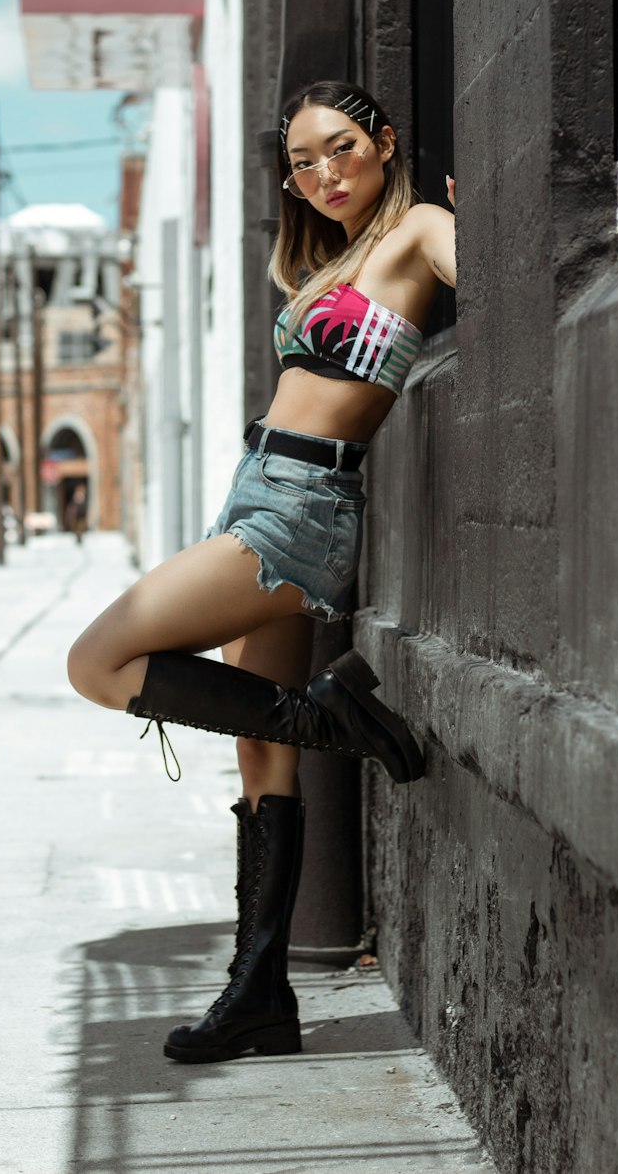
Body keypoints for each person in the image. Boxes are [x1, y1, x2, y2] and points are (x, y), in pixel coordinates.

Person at [68, 80, 456, 1065]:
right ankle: (258, 995)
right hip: (261, 491)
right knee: (259, 757)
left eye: (339, 148)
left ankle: (335, 718)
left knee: (97, 661)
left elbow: (507, 274)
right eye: (302, 163)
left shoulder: (415, 229)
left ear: (383, 139)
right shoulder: (337, 258)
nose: (324, 174)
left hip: (304, 505)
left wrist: (484, 207)